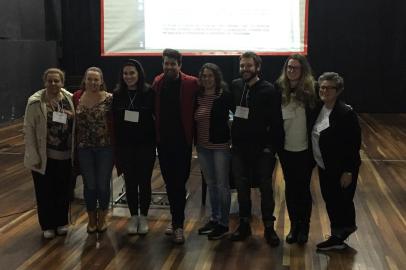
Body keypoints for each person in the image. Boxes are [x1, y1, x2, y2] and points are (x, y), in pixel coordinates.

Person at [230, 51, 284, 246]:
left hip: (262, 150)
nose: (245, 69)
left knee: (266, 189)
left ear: (257, 67)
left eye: (249, 66)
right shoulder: (236, 86)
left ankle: (269, 228)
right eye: (242, 66)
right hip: (239, 149)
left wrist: (271, 148)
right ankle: (244, 225)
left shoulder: (269, 90)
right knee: (242, 189)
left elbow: (276, 122)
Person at [152, 48, 199, 244]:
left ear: (180, 65)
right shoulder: (158, 82)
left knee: (179, 183)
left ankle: (178, 224)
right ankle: (175, 220)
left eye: (173, 63)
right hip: (163, 143)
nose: (169, 67)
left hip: (183, 143)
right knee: (170, 184)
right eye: (166, 63)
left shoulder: (191, 83)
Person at [311, 72, 361, 251]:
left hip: (340, 169)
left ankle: (340, 235)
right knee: (331, 200)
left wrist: (348, 171)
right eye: (322, 87)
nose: (324, 90)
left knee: (340, 201)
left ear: (338, 91)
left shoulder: (345, 113)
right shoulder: (319, 108)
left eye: (328, 88)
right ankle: (338, 233)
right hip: (325, 166)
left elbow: (353, 145)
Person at [23, 68, 75, 239]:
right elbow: (28, 130)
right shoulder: (35, 102)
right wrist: (34, 155)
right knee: (45, 192)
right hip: (44, 156)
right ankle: (47, 225)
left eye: (56, 81)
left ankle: (61, 222)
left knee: (63, 190)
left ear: (62, 82)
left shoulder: (69, 98)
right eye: (50, 81)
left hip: (66, 155)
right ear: (44, 82)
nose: (53, 84)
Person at [276, 54, 317, 244]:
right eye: (289, 67)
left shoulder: (312, 91)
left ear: (303, 71)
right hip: (286, 150)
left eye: (295, 68)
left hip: (305, 150)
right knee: (290, 189)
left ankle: (304, 227)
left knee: (303, 189)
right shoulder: (279, 89)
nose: (291, 71)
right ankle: (294, 226)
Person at [112, 59, 156, 235]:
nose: (128, 76)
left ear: (139, 74)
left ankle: (144, 216)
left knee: (144, 182)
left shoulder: (149, 92)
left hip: (145, 145)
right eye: (125, 73)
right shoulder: (117, 93)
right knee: (130, 182)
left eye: (132, 73)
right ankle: (133, 216)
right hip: (126, 146)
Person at [195, 63, 234, 240]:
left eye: (210, 76)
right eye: (204, 76)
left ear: (216, 77)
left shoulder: (224, 96)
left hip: (220, 147)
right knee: (211, 184)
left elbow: (237, 117)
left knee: (222, 185)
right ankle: (214, 218)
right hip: (202, 147)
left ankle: (224, 223)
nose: (207, 79)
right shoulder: (198, 96)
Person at [73, 67, 113, 234]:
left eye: (96, 79)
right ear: (85, 80)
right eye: (90, 79)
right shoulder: (76, 97)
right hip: (84, 149)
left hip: (105, 148)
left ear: (101, 81)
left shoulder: (110, 99)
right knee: (89, 185)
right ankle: (91, 220)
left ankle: (102, 219)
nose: (93, 82)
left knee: (102, 185)